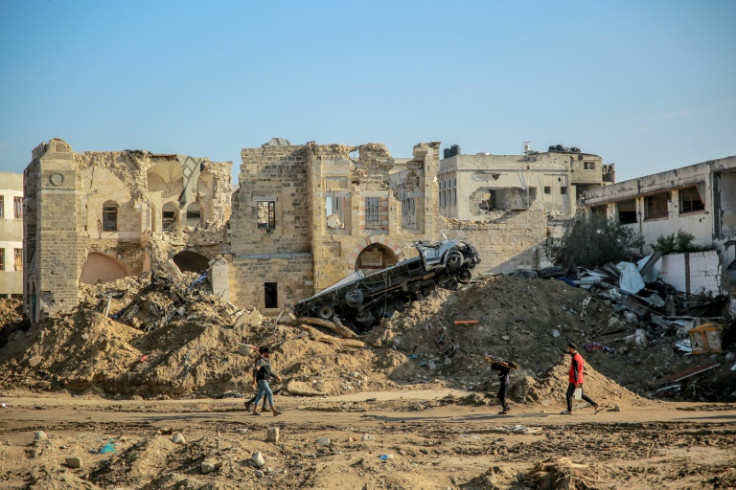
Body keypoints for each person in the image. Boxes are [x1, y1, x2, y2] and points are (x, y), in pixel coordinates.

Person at [562, 342, 601, 415]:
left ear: (572, 349)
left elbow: (576, 370)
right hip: (579, 378)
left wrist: (576, 381)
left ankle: (569, 411)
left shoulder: (575, 358)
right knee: (580, 395)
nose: (567, 349)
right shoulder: (579, 356)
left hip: (575, 379)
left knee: (568, 394)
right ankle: (594, 404)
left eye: (568, 348)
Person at [251, 346, 283, 416]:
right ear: (265, 353)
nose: (270, 354)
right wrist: (254, 380)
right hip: (262, 380)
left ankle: (254, 410)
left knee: (260, 395)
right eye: (269, 353)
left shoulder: (266, 361)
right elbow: (255, 369)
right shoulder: (261, 361)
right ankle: (274, 411)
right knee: (270, 394)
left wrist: (276, 376)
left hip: (265, 380)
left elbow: (269, 372)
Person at [244, 345, 271, 412]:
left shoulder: (262, 358)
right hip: (261, 378)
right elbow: (255, 369)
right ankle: (250, 404)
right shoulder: (260, 359)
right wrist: (254, 379)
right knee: (264, 393)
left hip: (263, 378)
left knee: (263, 393)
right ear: (264, 352)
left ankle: (251, 404)